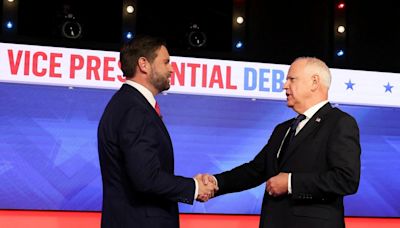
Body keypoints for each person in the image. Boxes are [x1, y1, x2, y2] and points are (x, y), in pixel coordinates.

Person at [199, 57, 361, 228]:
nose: (285, 86)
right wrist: (216, 182)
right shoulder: (282, 129)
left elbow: (346, 180)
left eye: (292, 79)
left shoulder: (339, 122)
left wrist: (291, 183)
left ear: (314, 82)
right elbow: (255, 170)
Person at [97, 35, 217, 228]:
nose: (171, 69)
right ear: (144, 64)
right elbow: (146, 178)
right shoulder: (135, 110)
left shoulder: (126, 103)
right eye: (166, 62)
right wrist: (194, 187)